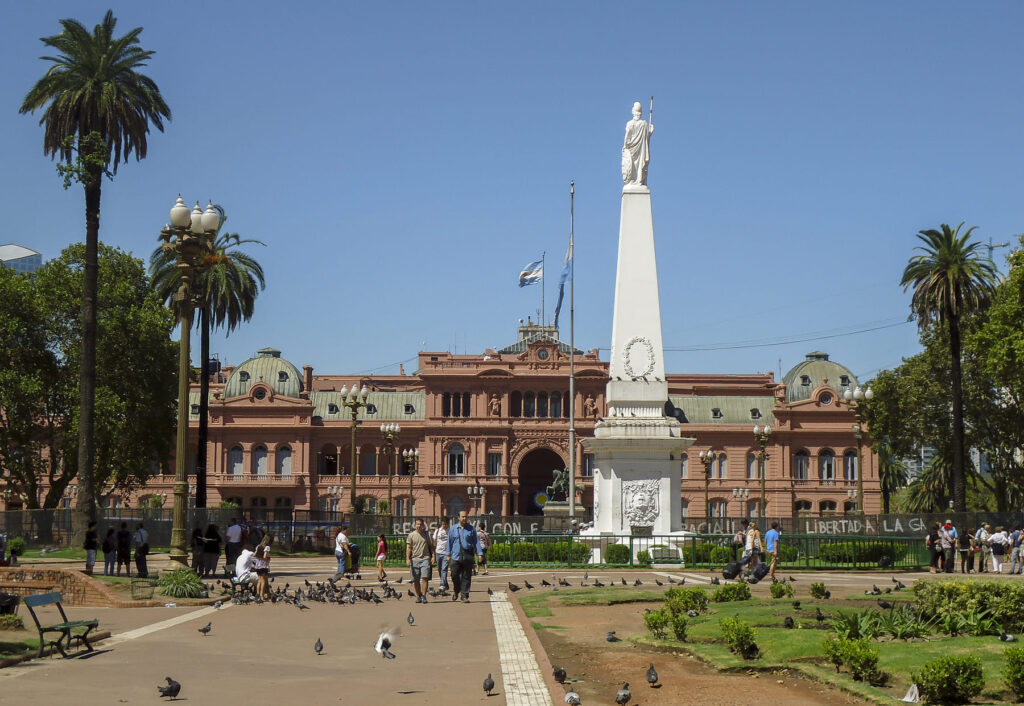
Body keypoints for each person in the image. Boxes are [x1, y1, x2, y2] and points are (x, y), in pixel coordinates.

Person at [447, 511, 480, 603]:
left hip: (468, 555)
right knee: (454, 574)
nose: (464, 518)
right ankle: (456, 590)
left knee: (466, 576)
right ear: (458, 517)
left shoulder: (471, 529)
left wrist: (480, 554)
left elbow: (476, 542)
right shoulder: (453, 529)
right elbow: (449, 542)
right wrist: (448, 554)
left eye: (466, 517)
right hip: (455, 556)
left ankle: (464, 595)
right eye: (463, 517)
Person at [621, 100, 654, 186]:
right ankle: (639, 180)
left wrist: (625, 146)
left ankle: (633, 180)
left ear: (633, 111)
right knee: (639, 165)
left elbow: (627, 135)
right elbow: (646, 138)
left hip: (632, 148)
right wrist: (650, 133)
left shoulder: (630, 124)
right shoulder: (644, 124)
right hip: (640, 150)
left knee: (631, 165)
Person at [406, 518, 434, 604]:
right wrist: (407, 558)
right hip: (415, 559)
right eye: (417, 524)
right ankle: (418, 595)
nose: (419, 526)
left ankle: (424, 596)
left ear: (423, 525)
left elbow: (431, 546)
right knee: (416, 580)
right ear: (415, 525)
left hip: (425, 558)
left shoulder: (427, 534)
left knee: (425, 578)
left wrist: (433, 556)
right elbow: (409, 548)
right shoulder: (411, 535)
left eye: (420, 524)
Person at [252, 535, 273, 599]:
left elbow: (254, 554)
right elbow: (264, 556)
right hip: (263, 565)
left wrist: (259, 557)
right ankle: (262, 595)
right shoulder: (267, 547)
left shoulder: (258, 546)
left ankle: (258, 594)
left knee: (259, 581)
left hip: (258, 565)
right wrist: (267, 561)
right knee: (264, 581)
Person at [433, 519, 450, 591]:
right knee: (440, 569)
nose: (444, 525)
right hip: (438, 552)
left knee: (444, 569)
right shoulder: (438, 531)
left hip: (446, 553)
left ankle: (442, 584)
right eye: (443, 524)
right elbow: (434, 540)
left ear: (448, 524)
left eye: (446, 524)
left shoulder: (450, 531)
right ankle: (445, 584)